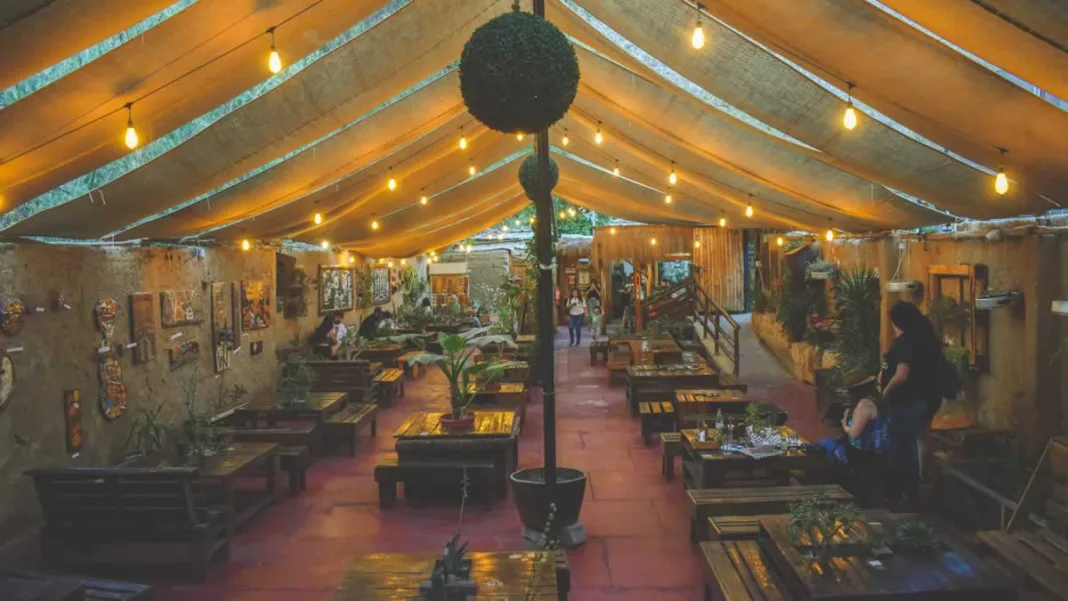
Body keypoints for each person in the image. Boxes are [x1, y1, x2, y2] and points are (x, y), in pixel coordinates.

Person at [880, 300, 943, 503]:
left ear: (896, 321)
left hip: (907, 401)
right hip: (926, 400)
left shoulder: (906, 342)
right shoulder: (925, 339)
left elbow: (902, 374)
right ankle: (921, 484)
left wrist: (884, 393)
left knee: (903, 446)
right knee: (919, 440)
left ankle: (907, 491)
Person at [820, 371, 888, 506]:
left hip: (862, 454)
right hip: (873, 452)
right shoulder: (876, 400)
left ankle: (836, 493)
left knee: (828, 448)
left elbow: (854, 433)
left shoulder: (864, 405)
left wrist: (844, 422)